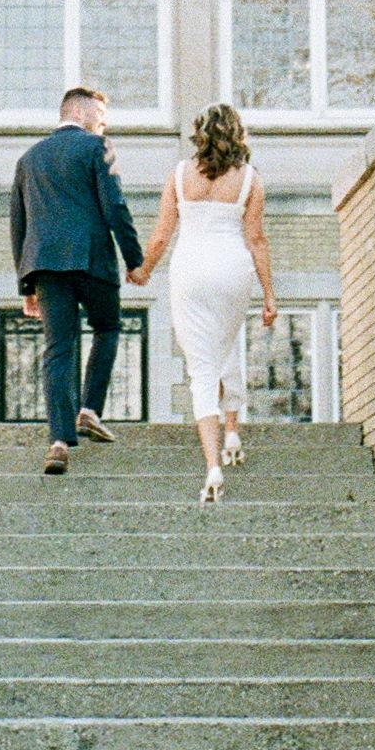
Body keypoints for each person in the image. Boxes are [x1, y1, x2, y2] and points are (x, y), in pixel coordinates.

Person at [130, 102, 275, 503]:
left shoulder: (179, 175)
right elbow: (257, 240)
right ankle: (232, 430)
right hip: (233, 271)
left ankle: (213, 466)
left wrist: (144, 270)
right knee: (226, 349)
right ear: (237, 134)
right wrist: (269, 295)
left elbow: (162, 235)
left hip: (190, 271)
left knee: (202, 367)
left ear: (199, 134)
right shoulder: (250, 179)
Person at [9, 85, 145, 476]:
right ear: (82, 114)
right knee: (108, 327)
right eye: (101, 117)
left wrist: (26, 284)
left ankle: (58, 441)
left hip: (45, 265)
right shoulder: (96, 148)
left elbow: (18, 224)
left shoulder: (29, 159)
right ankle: (89, 410)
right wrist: (134, 260)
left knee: (58, 347)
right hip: (92, 259)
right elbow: (115, 206)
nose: (104, 126)